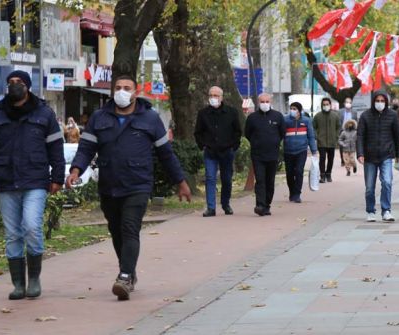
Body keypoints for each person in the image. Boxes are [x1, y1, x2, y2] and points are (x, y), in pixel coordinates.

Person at [66, 75, 191, 301]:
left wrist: (180, 182)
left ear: (135, 92)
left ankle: (124, 276)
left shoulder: (150, 118)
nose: (121, 91)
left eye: (127, 88)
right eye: (118, 88)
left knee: (129, 227)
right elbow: (86, 148)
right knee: (116, 231)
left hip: (138, 184)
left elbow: (166, 154)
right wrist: (75, 170)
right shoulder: (99, 117)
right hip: (109, 185)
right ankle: (129, 271)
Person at [0, 70, 65, 300]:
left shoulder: (44, 114)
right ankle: (18, 284)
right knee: (13, 235)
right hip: (6, 181)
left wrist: (57, 178)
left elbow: (56, 148)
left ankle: (34, 279)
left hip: (35, 179)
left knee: (32, 226)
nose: (14, 86)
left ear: (28, 86)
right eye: (11, 82)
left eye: (19, 82)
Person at [194, 86, 242, 217]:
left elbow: (237, 131)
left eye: (216, 95)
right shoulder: (203, 113)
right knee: (210, 178)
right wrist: (203, 145)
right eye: (211, 95)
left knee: (226, 179)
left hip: (227, 151)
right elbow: (198, 132)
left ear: (221, 97)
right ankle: (211, 207)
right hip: (210, 151)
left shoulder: (231, 112)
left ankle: (225, 204)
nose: (213, 98)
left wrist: (233, 146)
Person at [357, 91, 399, 222]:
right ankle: (370, 211)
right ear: (373, 101)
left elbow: (397, 136)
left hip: (386, 155)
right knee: (370, 187)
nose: (380, 103)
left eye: (383, 101)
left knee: (387, 182)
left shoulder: (392, 115)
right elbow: (360, 136)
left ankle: (386, 210)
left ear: (386, 102)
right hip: (369, 156)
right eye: (378, 100)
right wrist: (360, 153)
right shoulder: (365, 116)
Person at [244, 93, 285, 216]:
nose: (265, 104)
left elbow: (282, 133)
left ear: (271, 102)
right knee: (260, 180)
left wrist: (274, 142)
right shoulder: (252, 118)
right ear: (258, 102)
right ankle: (260, 205)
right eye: (262, 101)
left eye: (267, 101)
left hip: (273, 154)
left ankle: (267, 204)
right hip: (258, 155)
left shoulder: (278, 116)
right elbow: (247, 133)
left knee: (270, 181)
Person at [283, 102, 317, 203]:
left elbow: (311, 136)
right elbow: (280, 134)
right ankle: (292, 192)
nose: (292, 110)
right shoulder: (285, 120)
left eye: (294, 109)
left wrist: (314, 150)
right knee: (289, 173)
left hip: (301, 150)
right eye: (291, 108)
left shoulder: (306, 121)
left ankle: (297, 194)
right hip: (288, 150)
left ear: (299, 110)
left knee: (299, 171)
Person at [313, 97, 341, 183]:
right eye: (324, 104)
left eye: (327, 104)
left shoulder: (335, 115)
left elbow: (338, 127)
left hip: (332, 141)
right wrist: (317, 136)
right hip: (321, 141)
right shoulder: (317, 116)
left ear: (330, 105)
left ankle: (328, 174)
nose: (326, 106)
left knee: (331, 158)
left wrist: (336, 136)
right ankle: (322, 175)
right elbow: (313, 127)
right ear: (322, 105)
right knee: (322, 158)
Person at [338, 96, 358, 171]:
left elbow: (356, 121)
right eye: (347, 102)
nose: (348, 104)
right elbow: (338, 121)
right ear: (344, 103)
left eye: (349, 102)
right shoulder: (340, 112)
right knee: (342, 146)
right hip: (342, 130)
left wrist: (355, 129)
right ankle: (343, 160)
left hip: (351, 130)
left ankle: (352, 160)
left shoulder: (354, 112)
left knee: (351, 144)